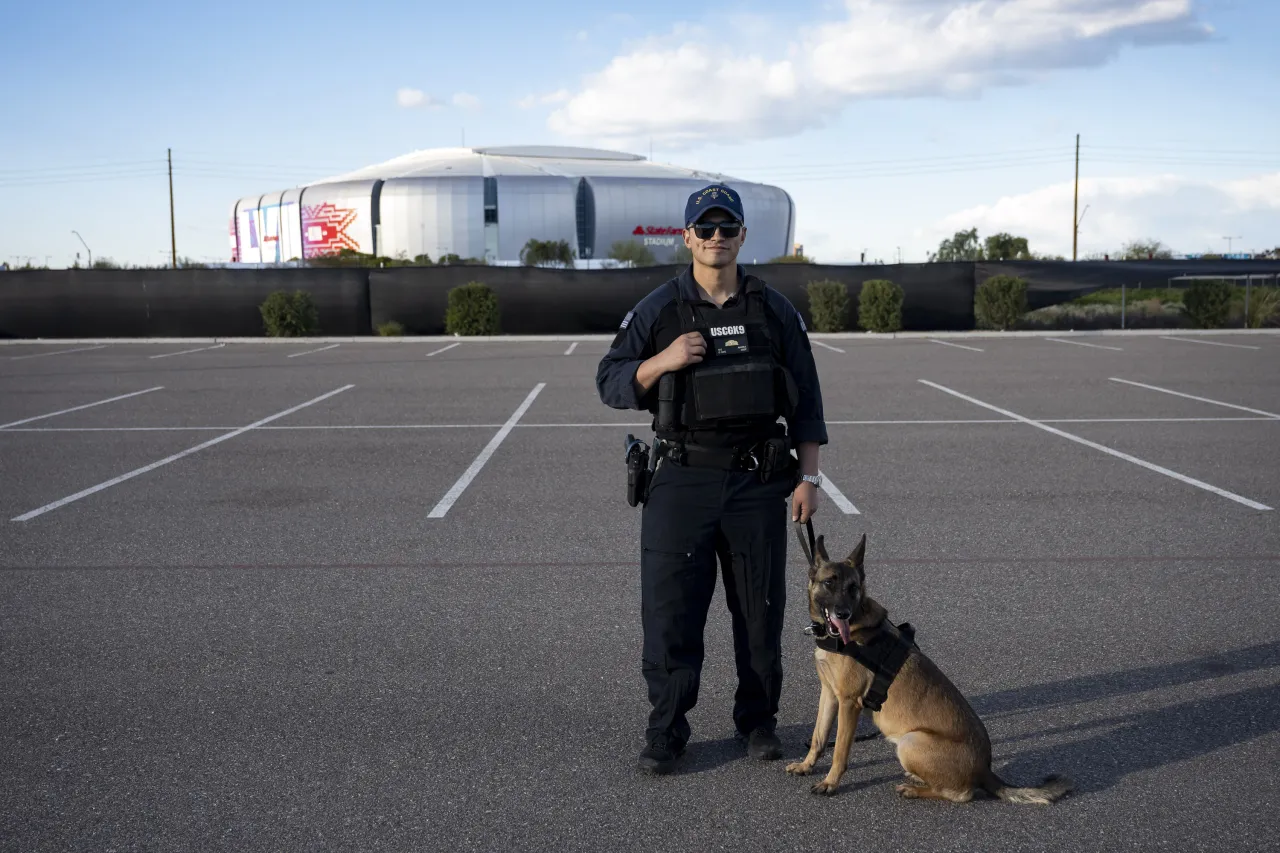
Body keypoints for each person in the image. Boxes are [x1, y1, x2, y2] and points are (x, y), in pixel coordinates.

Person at [596, 183, 829, 775]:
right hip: (681, 479)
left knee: (760, 612)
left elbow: (807, 400)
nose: (717, 238)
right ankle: (667, 731)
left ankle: (758, 723)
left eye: (728, 228)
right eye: (706, 228)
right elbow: (610, 380)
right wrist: (663, 360)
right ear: (688, 237)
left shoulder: (774, 309)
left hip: (757, 483)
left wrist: (810, 480)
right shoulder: (660, 309)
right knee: (671, 614)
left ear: (744, 236)